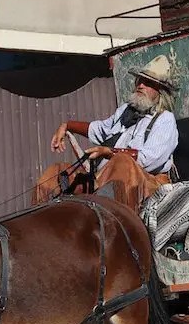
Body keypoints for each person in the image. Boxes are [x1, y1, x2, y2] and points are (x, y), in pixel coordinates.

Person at [35, 54, 180, 210]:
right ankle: (41, 223)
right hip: (103, 179)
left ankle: (104, 222)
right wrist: (67, 125)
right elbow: (100, 130)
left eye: (148, 83)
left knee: (123, 162)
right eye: (140, 80)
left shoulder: (165, 119)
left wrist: (109, 152)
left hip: (145, 184)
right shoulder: (126, 111)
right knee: (57, 173)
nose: (140, 85)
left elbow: (147, 159)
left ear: (161, 92)